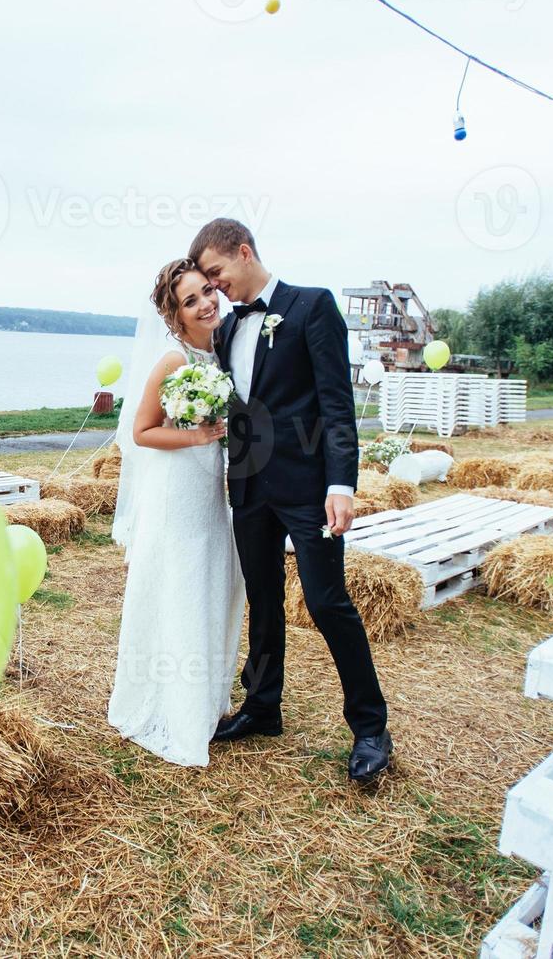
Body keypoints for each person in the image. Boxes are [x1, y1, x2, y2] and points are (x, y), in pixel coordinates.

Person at [189, 218, 393, 784]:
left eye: (216, 273)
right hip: (250, 485)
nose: (214, 287)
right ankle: (261, 706)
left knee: (328, 603)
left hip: (309, 491)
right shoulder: (228, 331)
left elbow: (336, 403)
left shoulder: (311, 307)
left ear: (244, 252)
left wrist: (341, 484)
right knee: (262, 598)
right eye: (206, 281)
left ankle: (371, 727)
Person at [107, 258, 245, 767]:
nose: (206, 302)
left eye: (208, 290)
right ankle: (173, 710)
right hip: (176, 489)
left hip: (210, 488)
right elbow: (141, 432)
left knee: (211, 582)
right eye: (191, 300)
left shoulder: (220, 349)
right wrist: (198, 435)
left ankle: (205, 700)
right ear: (175, 313)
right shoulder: (172, 360)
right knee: (180, 586)